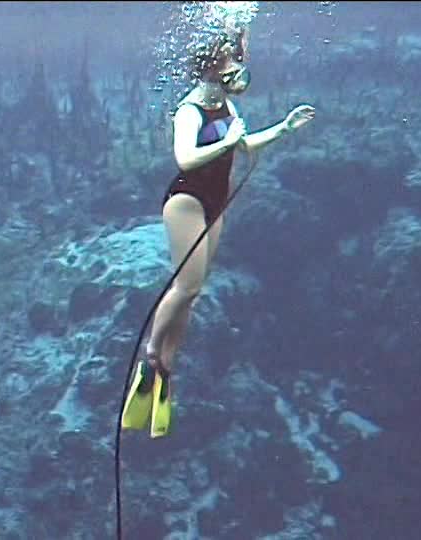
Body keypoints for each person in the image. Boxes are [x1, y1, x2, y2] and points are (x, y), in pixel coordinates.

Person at [121, 29, 316, 438]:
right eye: (230, 59)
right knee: (186, 287)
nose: (236, 67)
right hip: (187, 201)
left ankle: (166, 366)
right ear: (211, 66)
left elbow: (243, 146)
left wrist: (284, 128)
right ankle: (151, 353)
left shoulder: (223, 103)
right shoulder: (190, 110)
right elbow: (185, 158)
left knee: (194, 293)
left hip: (216, 204)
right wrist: (226, 141)